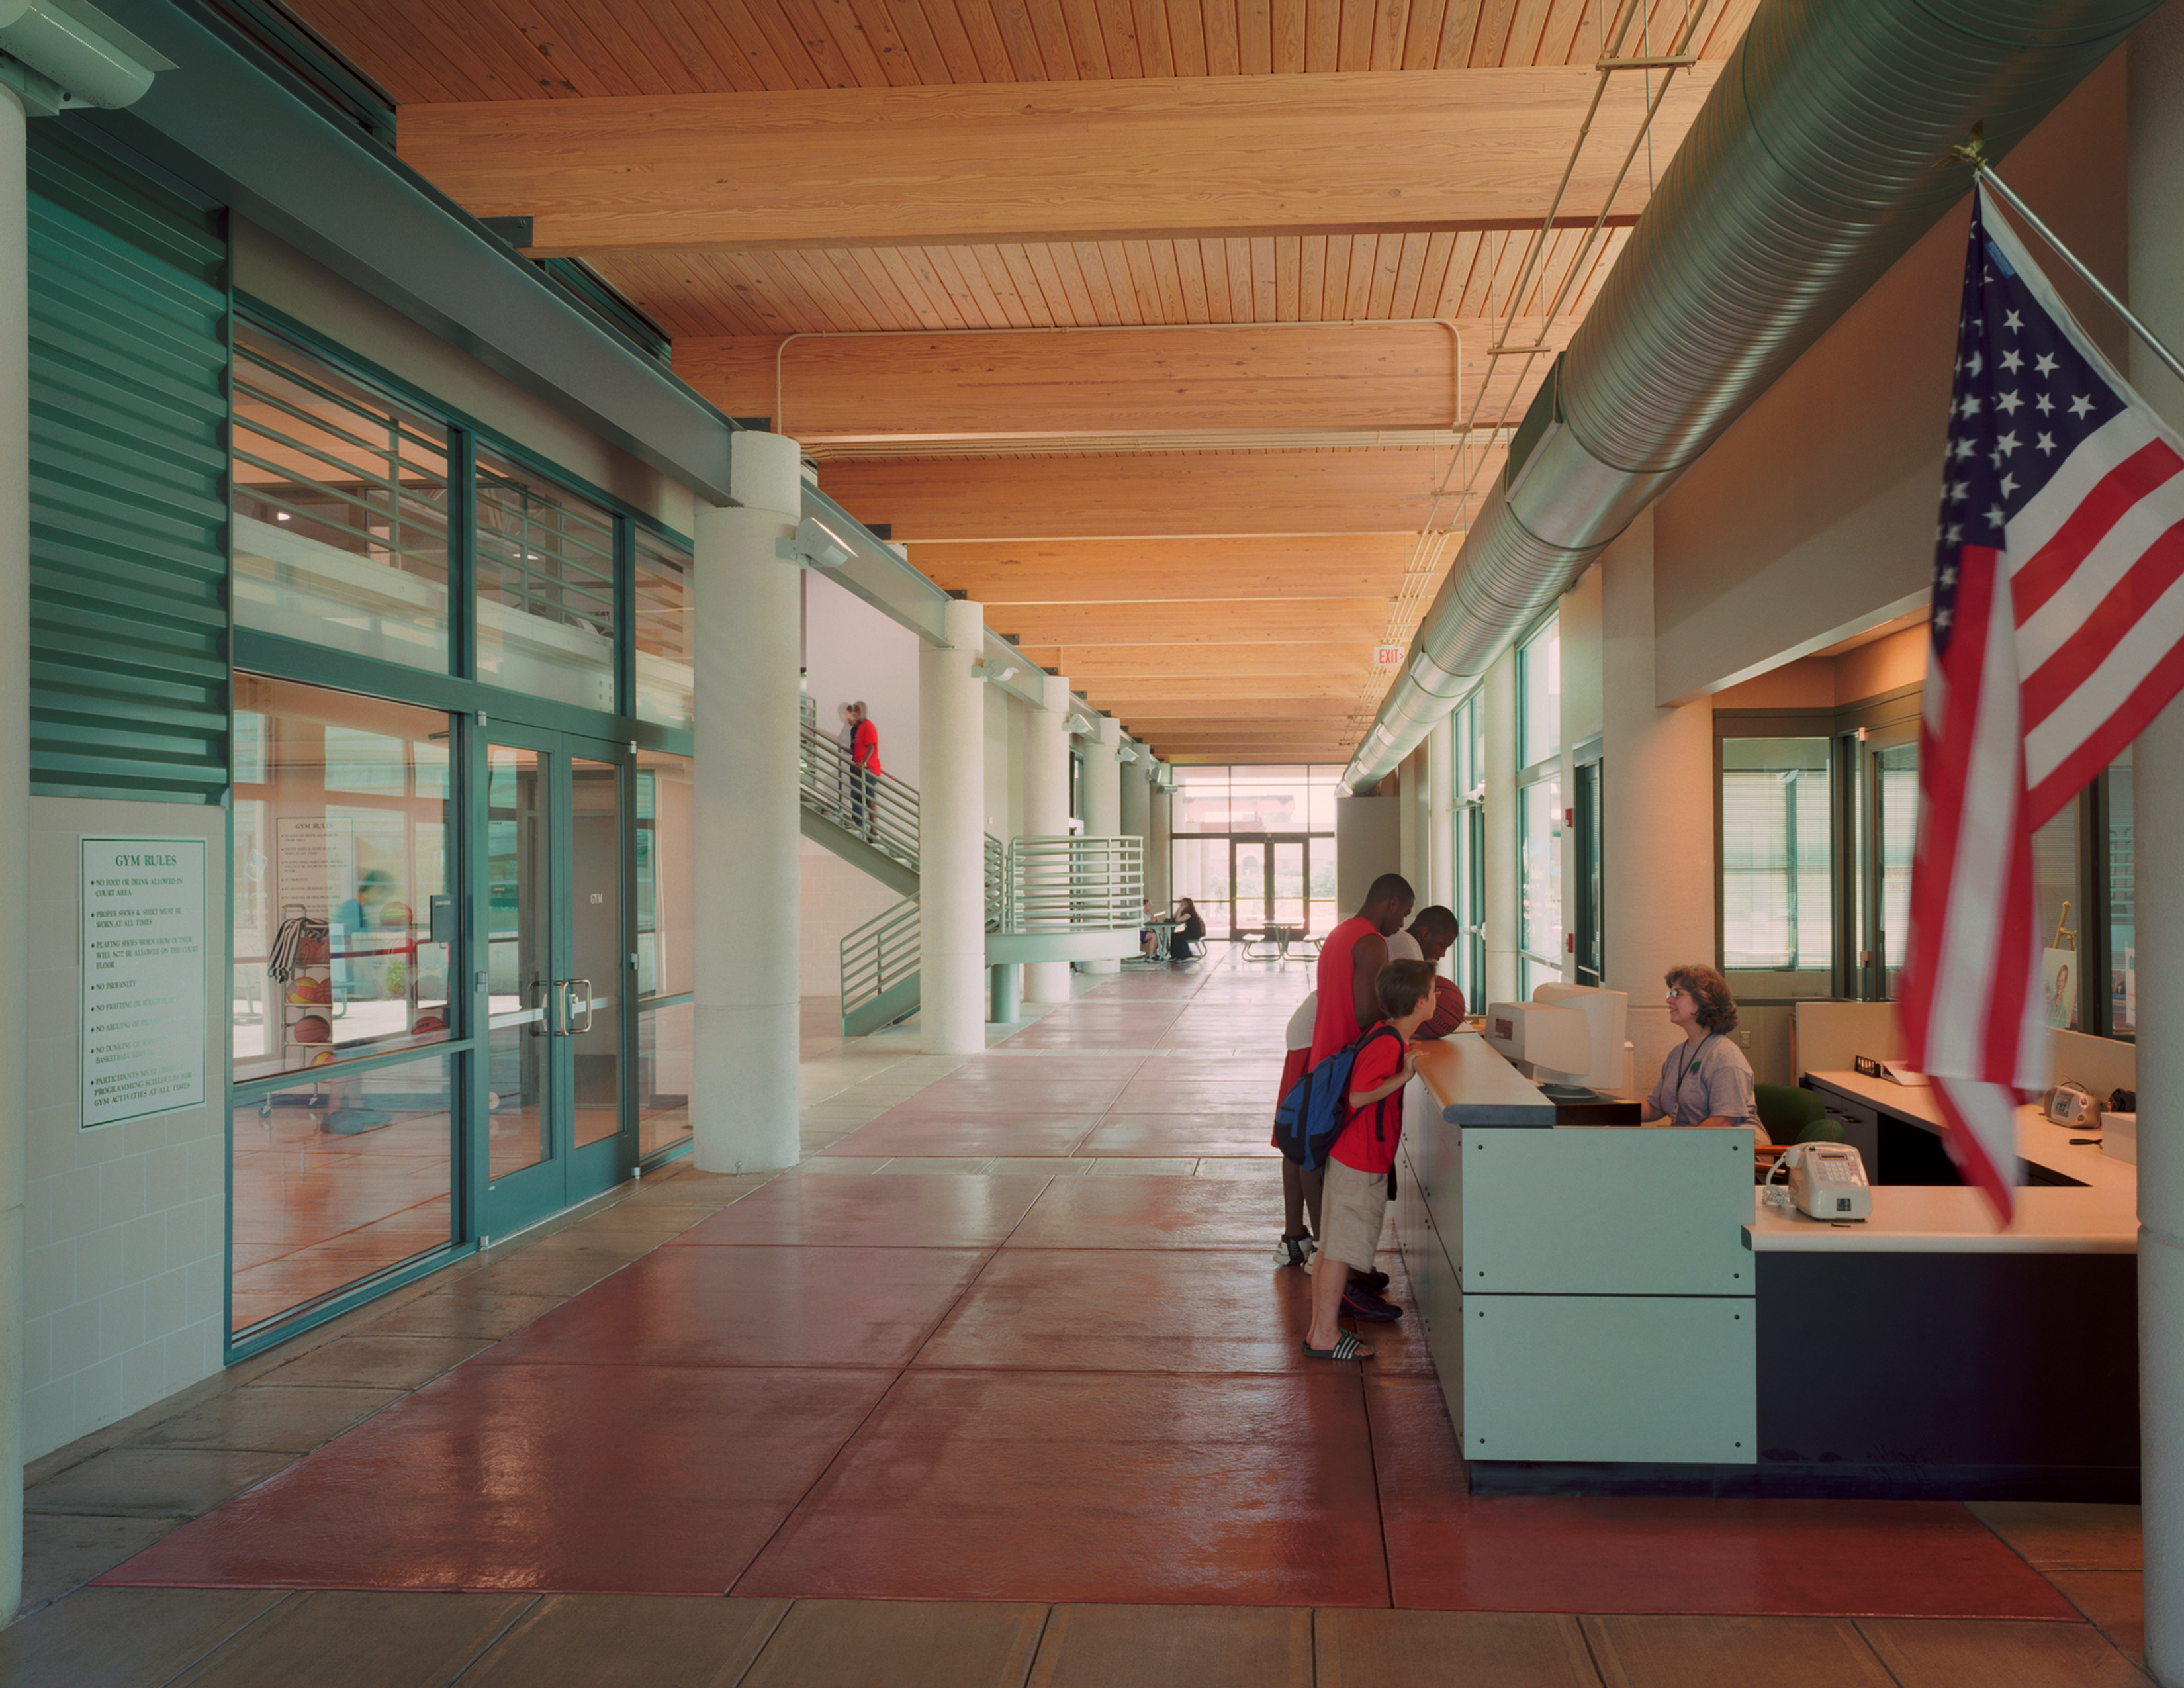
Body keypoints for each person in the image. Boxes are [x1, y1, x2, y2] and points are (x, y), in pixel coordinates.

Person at [1276, 872, 1413, 1280]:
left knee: (1314, 1155)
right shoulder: (1372, 941)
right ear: (1391, 902)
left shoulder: (1339, 933)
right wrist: (1402, 1021)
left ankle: (1325, 1251)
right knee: (1343, 1171)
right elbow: (1365, 1013)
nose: (1402, 923)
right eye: (1404, 913)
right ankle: (1336, 1261)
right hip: (1348, 1063)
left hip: (1324, 1057)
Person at [1302, 959, 1437, 1361]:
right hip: (1359, 1161)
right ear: (1419, 1002)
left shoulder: (1386, 1033)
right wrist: (1404, 1076)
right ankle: (1324, 1336)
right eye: (1434, 993)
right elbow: (1360, 1096)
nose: (1439, 998)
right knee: (1340, 1252)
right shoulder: (1387, 1043)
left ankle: (1319, 1330)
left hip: (1350, 1156)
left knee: (1330, 1249)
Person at [1639, 963, 1774, 1153]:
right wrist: (1608, 1112)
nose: (1669, 999)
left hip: (1737, 1154)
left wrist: (1676, 1148)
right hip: (1698, 1147)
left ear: (1703, 999)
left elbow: (1722, 1121)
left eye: (1678, 993)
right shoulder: (1678, 1053)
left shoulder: (1725, 1055)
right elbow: (1655, 1107)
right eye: (1670, 993)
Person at [849, 702, 882, 834]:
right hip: (862, 767)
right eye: (854, 711)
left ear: (863, 712)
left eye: (858, 711)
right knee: (868, 798)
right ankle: (873, 830)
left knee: (858, 795)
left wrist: (864, 762)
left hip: (867, 769)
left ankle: (859, 824)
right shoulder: (859, 728)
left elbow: (871, 746)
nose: (855, 714)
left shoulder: (868, 726)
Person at [1167, 897, 1206, 961]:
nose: (1181, 904)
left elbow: (1177, 920)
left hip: (1194, 934)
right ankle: (1175, 955)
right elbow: (1174, 917)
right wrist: (1179, 909)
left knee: (1176, 937)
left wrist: (1180, 910)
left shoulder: (1189, 913)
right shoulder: (1187, 912)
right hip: (1190, 932)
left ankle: (1181, 956)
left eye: (1183, 903)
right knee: (1174, 935)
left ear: (1187, 904)